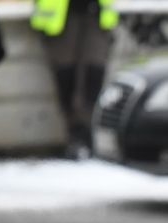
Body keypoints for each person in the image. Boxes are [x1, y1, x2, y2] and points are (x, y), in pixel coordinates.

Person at [31, 0, 117, 155]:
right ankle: (74, 133)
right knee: (66, 77)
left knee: (94, 75)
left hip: (97, 15)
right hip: (59, 17)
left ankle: (87, 130)